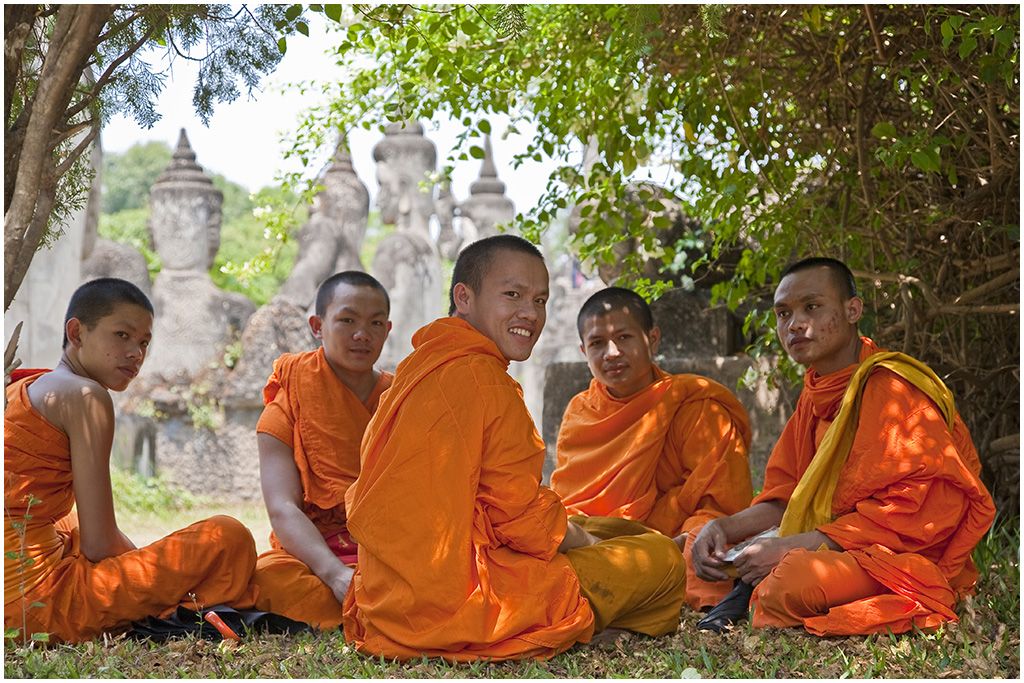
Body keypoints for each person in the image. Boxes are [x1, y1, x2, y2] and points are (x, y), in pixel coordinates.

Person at [342, 235, 686, 661]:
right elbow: (523, 521)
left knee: (613, 530)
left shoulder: (413, 370)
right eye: (513, 295)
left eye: (540, 300)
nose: (531, 313)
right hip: (459, 606)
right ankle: (575, 624)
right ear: (464, 297)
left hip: (388, 603)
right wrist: (587, 547)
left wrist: (586, 537)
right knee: (661, 560)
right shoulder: (483, 377)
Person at [690, 257, 996, 636]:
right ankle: (743, 584)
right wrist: (723, 527)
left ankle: (749, 590)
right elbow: (787, 499)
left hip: (894, 557)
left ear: (853, 310)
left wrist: (792, 548)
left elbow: (921, 514)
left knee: (792, 582)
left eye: (812, 307)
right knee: (695, 545)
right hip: (828, 543)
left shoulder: (893, 390)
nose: (795, 324)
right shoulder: (815, 394)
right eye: (783, 313)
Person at [3, 278, 258, 644]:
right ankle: (180, 609)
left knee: (67, 518)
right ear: (76, 332)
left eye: (143, 342)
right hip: (36, 605)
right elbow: (99, 544)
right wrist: (146, 565)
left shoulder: (26, 387)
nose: (136, 353)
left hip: (16, 584)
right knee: (228, 536)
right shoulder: (86, 396)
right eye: (121, 335)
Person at [551, 286, 753, 611]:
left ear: (653, 339)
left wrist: (668, 546)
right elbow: (573, 508)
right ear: (583, 350)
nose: (612, 352)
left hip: (673, 542)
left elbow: (719, 506)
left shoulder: (697, 406)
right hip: (598, 542)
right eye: (597, 343)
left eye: (625, 337)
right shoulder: (580, 411)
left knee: (703, 547)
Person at [251, 271, 393, 630]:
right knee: (269, 580)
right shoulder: (289, 400)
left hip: (388, 548)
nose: (363, 335)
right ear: (317, 325)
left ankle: (376, 604)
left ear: (388, 330)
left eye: (375, 323)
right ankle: (379, 608)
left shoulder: (401, 399)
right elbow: (282, 508)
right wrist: (334, 575)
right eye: (347, 320)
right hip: (316, 553)